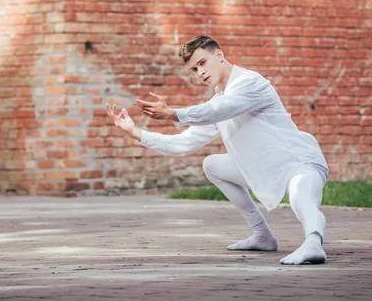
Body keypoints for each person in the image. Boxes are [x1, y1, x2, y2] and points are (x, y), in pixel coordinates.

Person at [106, 35, 329, 265]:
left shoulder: (250, 82)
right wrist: (136, 132)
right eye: (194, 69)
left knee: (300, 197)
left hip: (300, 162)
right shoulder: (218, 101)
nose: (199, 73)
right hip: (264, 168)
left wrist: (174, 113)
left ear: (219, 55)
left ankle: (313, 242)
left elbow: (220, 109)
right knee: (212, 165)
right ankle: (263, 236)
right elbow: (183, 144)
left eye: (202, 63)